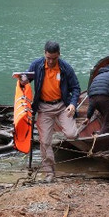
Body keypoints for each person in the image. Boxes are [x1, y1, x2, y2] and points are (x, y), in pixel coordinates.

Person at [19, 41, 81, 182]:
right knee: (45, 142)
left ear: (59, 54)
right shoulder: (37, 65)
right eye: (48, 58)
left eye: (54, 58)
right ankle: (50, 173)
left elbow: (76, 87)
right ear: (44, 53)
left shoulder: (65, 68)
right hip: (44, 107)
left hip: (62, 106)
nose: (51, 61)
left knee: (71, 134)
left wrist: (73, 104)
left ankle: (61, 126)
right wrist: (23, 80)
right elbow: (26, 78)